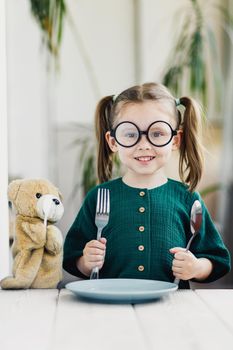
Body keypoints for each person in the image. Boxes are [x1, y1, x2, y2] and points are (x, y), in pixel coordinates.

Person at [63, 82, 230, 288]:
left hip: (170, 310)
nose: (143, 145)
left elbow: (217, 260)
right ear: (113, 141)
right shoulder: (99, 197)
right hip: (110, 309)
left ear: (175, 140)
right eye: (130, 134)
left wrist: (196, 268)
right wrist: (86, 263)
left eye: (157, 133)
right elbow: (72, 259)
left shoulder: (188, 199)